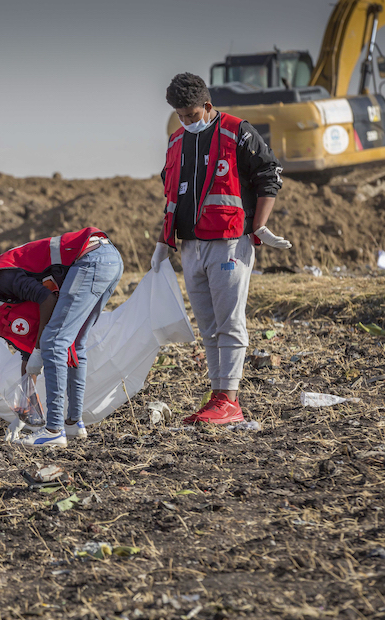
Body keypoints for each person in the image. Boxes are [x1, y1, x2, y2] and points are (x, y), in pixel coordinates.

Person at [151, 72, 292, 425]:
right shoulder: (175, 142)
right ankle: (218, 397)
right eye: (180, 116)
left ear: (207, 106)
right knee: (209, 325)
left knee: (229, 321)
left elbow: (268, 173)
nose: (186, 122)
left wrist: (259, 226)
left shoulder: (237, 131)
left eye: (191, 115)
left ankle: (230, 399)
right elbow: (171, 194)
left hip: (229, 242)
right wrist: (163, 242)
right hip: (191, 246)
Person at [0, 228, 122, 447]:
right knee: (74, 343)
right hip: (106, 258)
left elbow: (47, 300)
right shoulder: (2, 294)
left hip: (91, 259)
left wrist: (41, 349)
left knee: (54, 343)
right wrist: (23, 412)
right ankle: (72, 423)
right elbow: (27, 356)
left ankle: (53, 430)